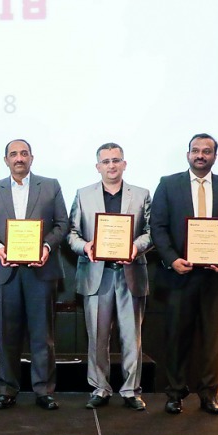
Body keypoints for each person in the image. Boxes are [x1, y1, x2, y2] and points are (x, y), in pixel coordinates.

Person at [149, 133, 218, 415]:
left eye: (207, 151)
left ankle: (209, 393)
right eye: (195, 150)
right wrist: (172, 259)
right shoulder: (168, 184)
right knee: (177, 337)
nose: (200, 155)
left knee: (213, 340)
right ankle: (175, 392)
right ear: (188, 154)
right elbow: (158, 226)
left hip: (216, 277)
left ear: (215, 156)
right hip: (180, 275)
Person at [0, 139, 69, 410]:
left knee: (43, 335)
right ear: (6, 160)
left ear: (31, 158)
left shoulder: (50, 186)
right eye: (13, 154)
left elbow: (62, 224)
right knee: (6, 335)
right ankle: (7, 389)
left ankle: (44, 390)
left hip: (41, 271)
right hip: (4, 271)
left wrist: (46, 247)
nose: (19, 158)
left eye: (24, 153)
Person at [67, 142, 152, 410]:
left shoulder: (142, 194)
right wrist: (86, 247)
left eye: (116, 160)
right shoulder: (83, 195)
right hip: (97, 274)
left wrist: (135, 247)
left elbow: (151, 232)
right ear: (98, 167)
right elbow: (71, 233)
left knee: (132, 337)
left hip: (130, 273)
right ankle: (100, 388)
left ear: (124, 164)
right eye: (106, 161)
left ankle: (131, 390)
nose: (111, 165)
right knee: (97, 337)